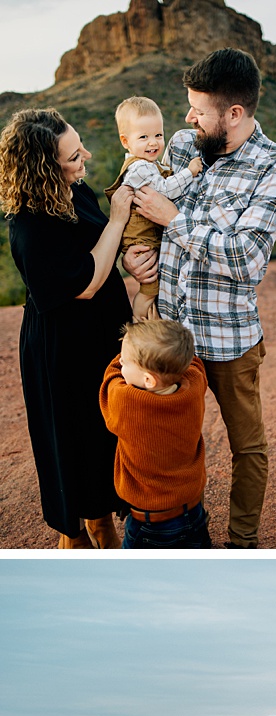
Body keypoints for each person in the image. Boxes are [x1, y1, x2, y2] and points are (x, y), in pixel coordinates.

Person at [124, 48, 276, 549]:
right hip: (169, 333)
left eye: (198, 108)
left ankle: (242, 543)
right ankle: (184, 532)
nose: (187, 117)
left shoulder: (275, 167)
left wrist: (171, 219)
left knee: (248, 447)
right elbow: (137, 215)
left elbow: (246, 259)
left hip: (229, 338)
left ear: (235, 114)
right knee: (173, 442)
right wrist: (132, 262)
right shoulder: (178, 146)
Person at [0, 108, 133, 549]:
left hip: (99, 338)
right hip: (65, 352)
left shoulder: (73, 189)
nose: (86, 158)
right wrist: (117, 220)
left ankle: (103, 525)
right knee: (79, 447)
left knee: (107, 436)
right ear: (43, 166)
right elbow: (88, 282)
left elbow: (102, 250)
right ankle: (86, 537)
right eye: (74, 156)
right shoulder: (30, 226)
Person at [97, 318, 211, 548]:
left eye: (125, 361)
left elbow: (109, 378)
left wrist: (123, 357)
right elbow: (194, 364)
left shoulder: (127, 402)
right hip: (193, 513)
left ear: (148, 380)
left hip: (151, 525)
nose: (120, 362)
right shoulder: (195, 385)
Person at [103, 97, 203, 321]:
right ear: (125, 141)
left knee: (154, 287)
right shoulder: (139, 168)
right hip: (143, 238)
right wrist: (190, 172)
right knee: (149, 289)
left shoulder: (150, 164)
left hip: (147, 236)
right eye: (144, 137)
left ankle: (148, 322)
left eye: (158, 135)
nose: (153, 143)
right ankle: (138, 323)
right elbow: (165, 191)